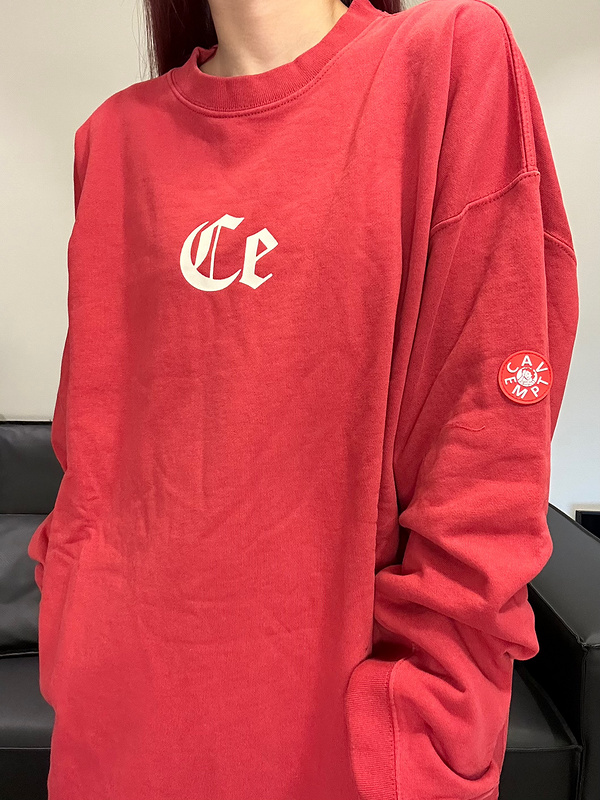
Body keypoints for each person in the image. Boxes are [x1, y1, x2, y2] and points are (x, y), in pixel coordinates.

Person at [27, 0, 579, 798]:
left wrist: (425, 744)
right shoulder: (112, 138)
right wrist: (69, 627)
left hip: (343, 754)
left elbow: (486, 471)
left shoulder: (448, 60)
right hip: (110, 730)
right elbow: (96, 444)